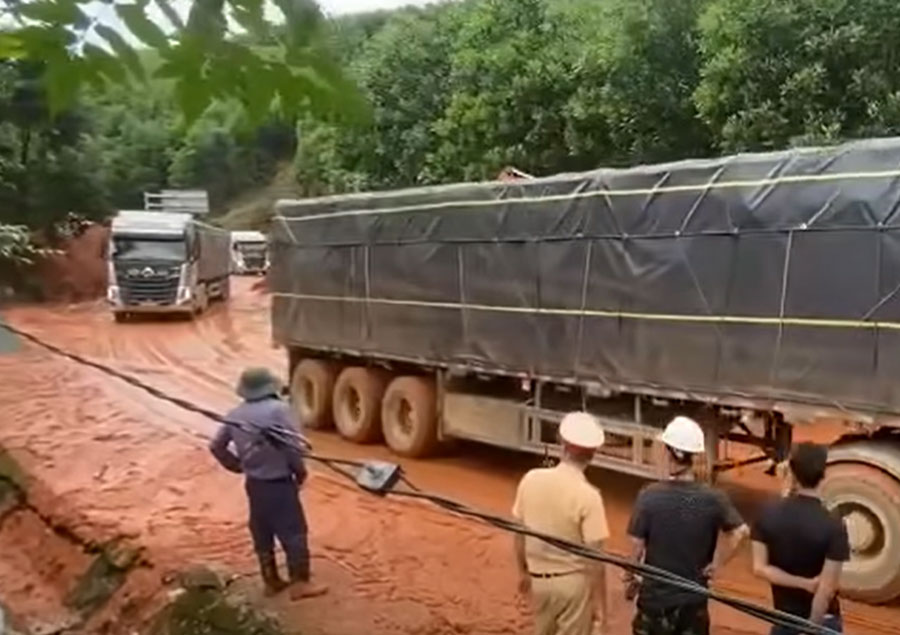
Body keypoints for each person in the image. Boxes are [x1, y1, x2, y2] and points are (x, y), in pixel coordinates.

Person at [209, 367, 327, 600]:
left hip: (254, 484)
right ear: (270, 387)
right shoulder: (279, 410)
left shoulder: (235, 414)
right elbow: (294, 447)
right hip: (279, 483)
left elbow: (216, 446)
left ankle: (271, 581)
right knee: (294, 531)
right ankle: (300, 583)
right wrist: (300, 472)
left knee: (261, 530)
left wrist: (237, 466)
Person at [626, 416, 749, 635]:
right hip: (694, 604)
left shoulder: (649, 496)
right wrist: (716, 564)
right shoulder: (714, 498)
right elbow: (741, 532)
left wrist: (630, 579)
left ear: (669, 452)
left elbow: (636, 548)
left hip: (655, 603)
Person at [512, 411, 610, 635]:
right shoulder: (589, 496)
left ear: (562, 444)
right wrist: (600, 610)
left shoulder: (531, 480)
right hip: (573, 587)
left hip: (539, 582)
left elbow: (518, 534)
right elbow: (596, 560)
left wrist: (522, 572)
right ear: (593, 454)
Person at [751, 442, 849, 634]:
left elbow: (760, 568)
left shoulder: (766, 515)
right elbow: (826, 590)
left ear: (792, 472)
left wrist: (801, 583)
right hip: (823, 623)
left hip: (785, 619)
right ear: (823, 474)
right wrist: (810, 628)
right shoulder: (834, 525)